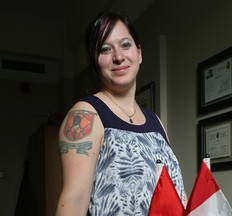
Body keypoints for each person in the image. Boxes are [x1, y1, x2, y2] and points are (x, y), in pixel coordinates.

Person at [56, 11, 187, 216]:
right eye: (105, 49)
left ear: (139, 53)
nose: (118, 57)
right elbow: (73, 202)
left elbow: (178, 195)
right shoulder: (85, 115)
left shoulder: (156, 122)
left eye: (125, 45)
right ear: (94, 61)